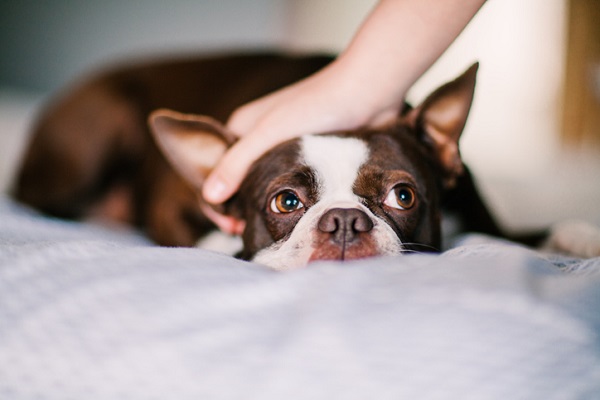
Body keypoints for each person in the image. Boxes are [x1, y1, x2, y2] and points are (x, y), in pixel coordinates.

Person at [202, 0, 487, 204]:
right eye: (288, 203)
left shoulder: (419, 150)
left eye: (402, 198)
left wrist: (358, 85)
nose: (343, 226)